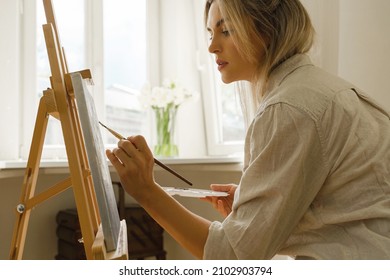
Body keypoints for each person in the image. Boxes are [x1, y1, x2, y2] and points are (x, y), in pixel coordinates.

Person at [106, 0, 390, 259]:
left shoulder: (289, 107)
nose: (212, 47)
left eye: (226, 31)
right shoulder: (317, 89)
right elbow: (345, 209)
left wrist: (146, 192)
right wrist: (255, 207)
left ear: (267, 30)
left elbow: (234, 259)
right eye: (210, 34)